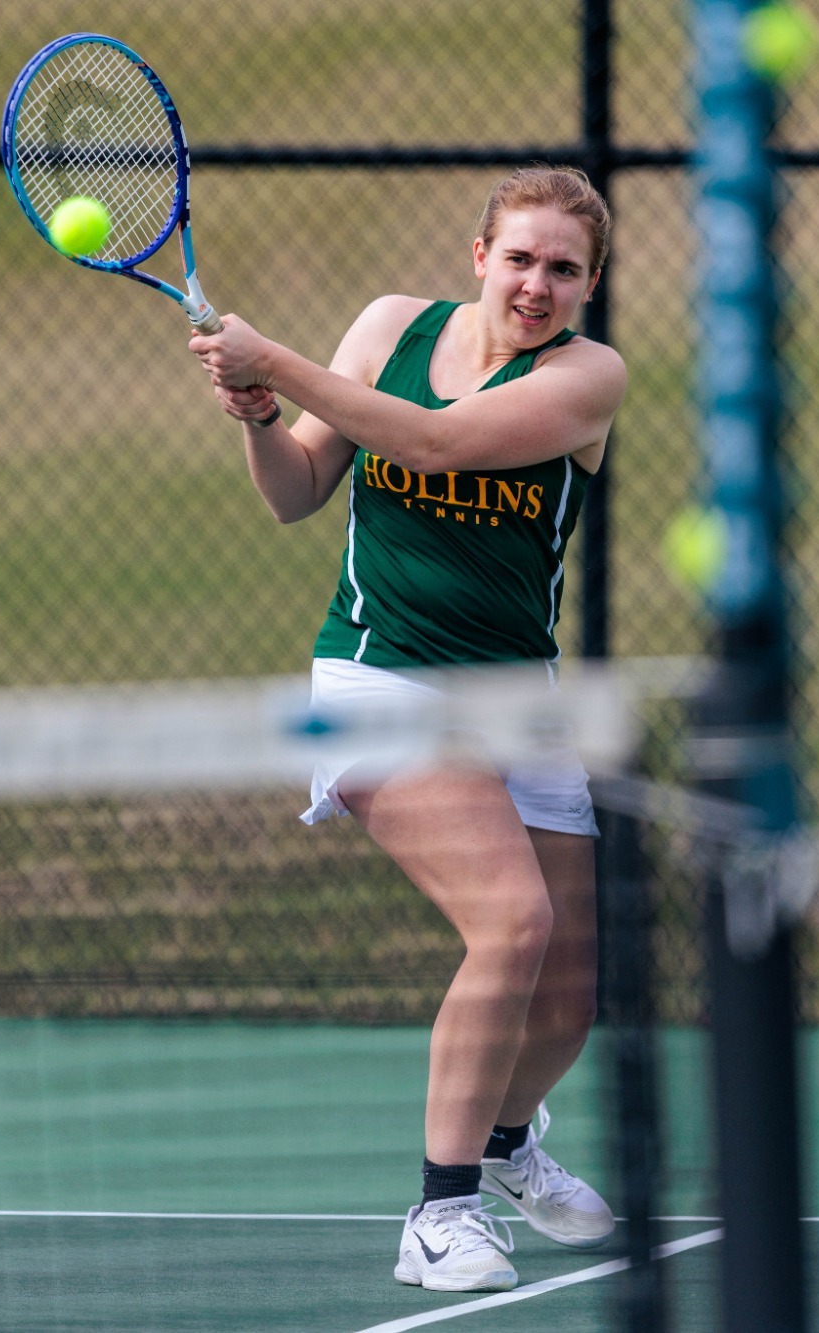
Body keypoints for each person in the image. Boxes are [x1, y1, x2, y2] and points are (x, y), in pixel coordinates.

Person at [190, 166, 627, 1295]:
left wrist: (272, 362)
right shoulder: (388, 328)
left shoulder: (586, 378)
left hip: (517, 701)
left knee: (568, 996)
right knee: (511, 921)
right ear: (479, 256)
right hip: (378, 679)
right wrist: (262, 418)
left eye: (563, 269)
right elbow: (295, 491)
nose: (536, 285)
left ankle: (505, 1141)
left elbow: (433, 444)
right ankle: (440, 1214)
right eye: (519, 258)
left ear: (588, 284)